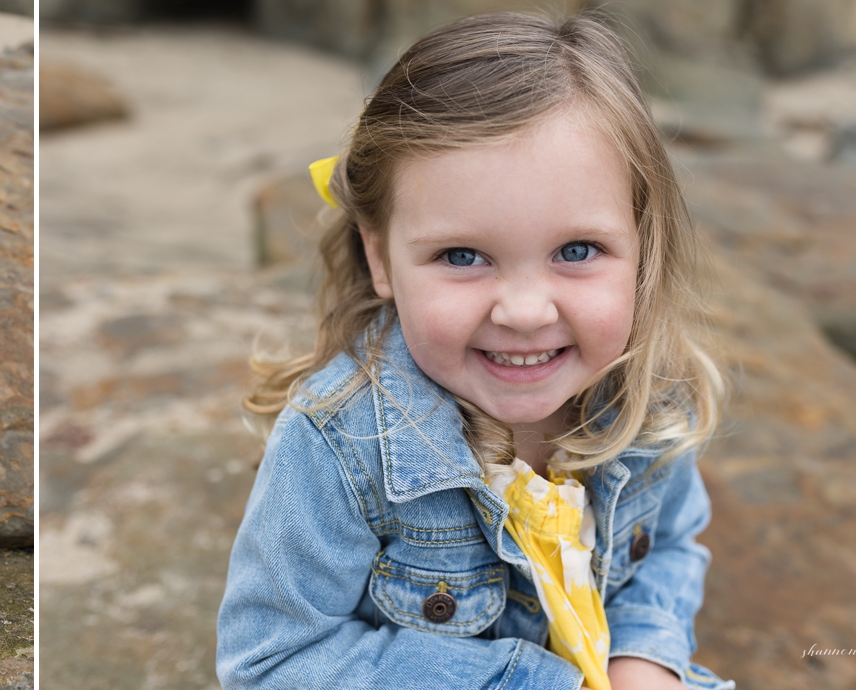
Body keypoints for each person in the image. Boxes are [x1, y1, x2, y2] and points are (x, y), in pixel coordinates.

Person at [217, 13, 736, 690]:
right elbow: (270, 659)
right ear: (380, 257)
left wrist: (644, 658)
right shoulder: (337, 445)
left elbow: (669, 544)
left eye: (577, 250)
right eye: (463, 256)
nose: (524, 312)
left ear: (643, 245)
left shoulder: (648, 391)